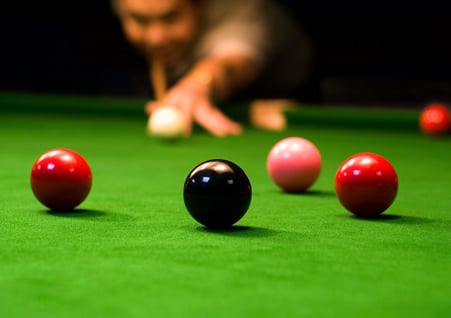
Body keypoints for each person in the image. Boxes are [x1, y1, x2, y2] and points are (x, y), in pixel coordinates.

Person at [111, 0, 316, 136]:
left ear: (201, 7)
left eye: (170, 18)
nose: (156, 38)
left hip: (293, 92)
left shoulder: (243, 12)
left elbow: (233, 61)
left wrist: (200, 82)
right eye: (139, 20)